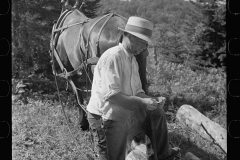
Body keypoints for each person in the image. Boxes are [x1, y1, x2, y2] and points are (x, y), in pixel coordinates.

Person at [86, 16, 180, 160]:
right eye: (142, 42)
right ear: (128, 35)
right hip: (104, 116)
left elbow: (137, 92)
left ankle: (162, 154)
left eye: (146, 44)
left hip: (121, 112)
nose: (144, 47)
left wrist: (151, 99)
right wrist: (143, 103)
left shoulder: (132, 60)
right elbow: (112, 96)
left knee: (157, 112)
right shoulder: (113, 57)